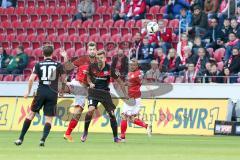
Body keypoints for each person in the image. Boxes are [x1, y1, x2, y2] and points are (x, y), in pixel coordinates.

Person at [14, 45, 66, 147]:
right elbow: (64, 79)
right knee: (49, 119)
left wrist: (27, 92)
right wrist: (62, 91)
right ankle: (42, 139)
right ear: (53, 54)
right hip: (53, 93)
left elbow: (31, 79)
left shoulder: (38, 64)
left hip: (41, 92)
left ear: (43, 53)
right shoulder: (58, 64)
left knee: (31, 115)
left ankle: (20, 138)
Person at [81, 50, 128, 143]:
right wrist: (90, 83)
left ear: (105, 58)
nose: (99, 60)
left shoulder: (110, 69)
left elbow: (120, 82)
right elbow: (88, 77)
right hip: (93, 92)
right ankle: (85, 132)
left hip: (105, 93)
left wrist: (125, 95)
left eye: (101, 58)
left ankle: (115, 137)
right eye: (98, 58)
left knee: (112, 114)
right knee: (90, 110)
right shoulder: (92, 66)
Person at [62, 42, 97, 142]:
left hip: (84, 90)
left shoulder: (98, 62)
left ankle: (67, 134)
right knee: (62, 87)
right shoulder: (83, 59)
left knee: (78, 113)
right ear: (87, 50)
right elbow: (68, 67)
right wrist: (65, 57)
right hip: (77, 84)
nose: (92, 51)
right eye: (90, 49)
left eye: (93, 49)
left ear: (96, 50)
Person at [120, 58, 152, 142]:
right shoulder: (130, 73)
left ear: (137, 65)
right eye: (130, 64)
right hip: (133, 98)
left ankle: (122, 137)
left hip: (133, 98)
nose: (132, 66)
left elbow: (143, 81)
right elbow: (131, 83)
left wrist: (150, 91)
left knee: (124, 116)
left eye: (134, 65)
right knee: (130, 119)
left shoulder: (139, 73)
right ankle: (146, 126)